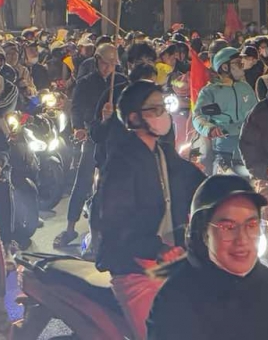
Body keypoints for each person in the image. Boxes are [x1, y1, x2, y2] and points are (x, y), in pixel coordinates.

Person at [90, 80, 203, 340]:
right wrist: (156, 248)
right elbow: (116, 222)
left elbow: (197, 183)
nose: (163, 114)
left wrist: (232, 195)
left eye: (163, 107)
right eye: (154, 109)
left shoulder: (163, 153)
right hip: (135, 268)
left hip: (173, 261)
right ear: (134, 118)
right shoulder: (121, 162)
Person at [146, 174, 268, 340]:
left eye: (251, 225)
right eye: (228, 227)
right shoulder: (175, 301)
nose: (242, 239)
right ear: (203, 232)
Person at [54, 42, 123, 248]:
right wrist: (78, 127)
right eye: (104, 63)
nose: (107, 68)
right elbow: (76, 108)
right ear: (97, 61)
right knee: (83, 180)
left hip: (115, 137)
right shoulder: (85, 82)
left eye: (112, 64)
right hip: (93, 136)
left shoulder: (122, 82)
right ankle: (70, 228)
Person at [191, 47, 258, 172]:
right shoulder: (210, 91)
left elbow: (257, 113)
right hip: (224, 150)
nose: (242, 66)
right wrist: (210, 129)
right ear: (225, 67)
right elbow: (198, 116)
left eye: (241, 63)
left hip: (250, 147)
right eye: (238, 63)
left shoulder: (245, 87)